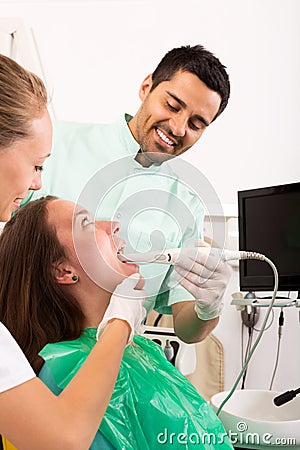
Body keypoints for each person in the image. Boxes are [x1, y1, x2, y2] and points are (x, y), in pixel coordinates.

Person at [24, 44, 231, 344]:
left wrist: (209, 306)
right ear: (146, 87)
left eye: (196, 124)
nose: (178, 128)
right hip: (22, 347)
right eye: (173, 106)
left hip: (116, 367)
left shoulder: (185, 204)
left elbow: (187, 329)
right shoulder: (56, 142)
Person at [0, 196, 234, 450]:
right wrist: (120, 322)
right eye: (86, 224)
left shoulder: (139, 350)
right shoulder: (64, 376)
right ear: (64, 272)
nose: (114, 225)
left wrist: (209, 307)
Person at [0, 53, 146, 450]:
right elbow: (61, 439)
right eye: (36, 164)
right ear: (62, 270)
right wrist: (121, 323)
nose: (34, 183)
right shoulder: (59, 375)